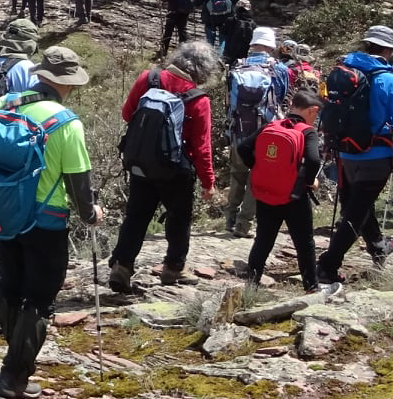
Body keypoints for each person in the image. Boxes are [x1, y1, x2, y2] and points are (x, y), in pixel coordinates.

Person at [0, 46, 99, 399]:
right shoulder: (65, 123)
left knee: (10, 284)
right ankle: (14, 376)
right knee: (40, 297)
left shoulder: (3, 105)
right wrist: (91, 214)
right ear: (66, 84)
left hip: (3, 212)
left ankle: (11, 357)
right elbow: (80, 185)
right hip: (45, 223)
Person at [316, 25, 393, 290]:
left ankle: (379, 246)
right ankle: (328, 265)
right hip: (376, 155)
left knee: (357, 205)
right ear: (389, 50)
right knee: (355, 211)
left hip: (345, 152)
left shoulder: (341, 71)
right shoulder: (388, 80)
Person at [108, 41, 222, 291]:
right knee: (179, 219)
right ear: (204, 70)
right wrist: (208, 182)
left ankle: (122, 266)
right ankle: (173, 269)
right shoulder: (198, 98)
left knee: (136, 216)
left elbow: (128, 114)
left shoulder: (148, 78)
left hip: (141, 163)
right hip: (176, 170)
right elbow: (202, 147)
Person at [242, 87, 324, 292]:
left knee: (263, 238)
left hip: (266, 191)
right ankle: (311, 287)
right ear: (312, 110)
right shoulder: (307, 132)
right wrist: (308, 180)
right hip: (294, 195)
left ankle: (251, 285)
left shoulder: (272, 125)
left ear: (293, 106)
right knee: (304, 242)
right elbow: (313, 160)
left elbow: (242, 148)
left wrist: (260, 167)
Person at [224, 26, 291, 238]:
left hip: (238, 130)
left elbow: (228, 100)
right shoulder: (278, 69)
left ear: (252, 44)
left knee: (237, 175)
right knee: (256, 178)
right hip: (264, 133)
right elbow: (280, 99)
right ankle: (244, 225)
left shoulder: (237, 66)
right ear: (271, 46)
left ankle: (229, 219)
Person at [220, 0, 257, 64]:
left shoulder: (230, 20)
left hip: (230, 50)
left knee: (228, 66)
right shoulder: (252, 23)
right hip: (244, 52)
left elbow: (223, 32)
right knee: (242, 66)